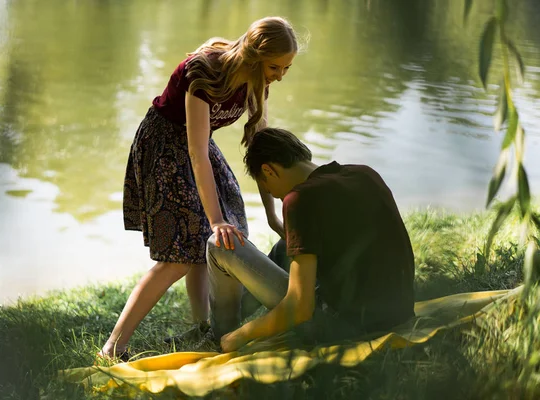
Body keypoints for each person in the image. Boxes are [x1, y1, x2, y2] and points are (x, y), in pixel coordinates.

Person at [99, 17, 299, 359]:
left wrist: (271, 214)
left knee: (215, 240)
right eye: (275, 67)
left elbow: (261, 147)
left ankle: (201, 326)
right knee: (180, 254)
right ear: (253, 57)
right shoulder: (204, 73)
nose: (280, 75)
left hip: (198, 147)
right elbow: (195, 152)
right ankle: (112, 348)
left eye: (286, 68)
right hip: (165, 144)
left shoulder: (257, 80)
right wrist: (215, 218)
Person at [206, 127, 415, 352]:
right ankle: (225, 320)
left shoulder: (299, 199)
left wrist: (242, 336)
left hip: (341, 327)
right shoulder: (365, 174)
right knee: (284, 247)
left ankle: (220, 335)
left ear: (268, 170)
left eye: (268, 188)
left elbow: (300, 307)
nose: (275, 195)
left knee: (219, 245)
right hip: (397, 313)